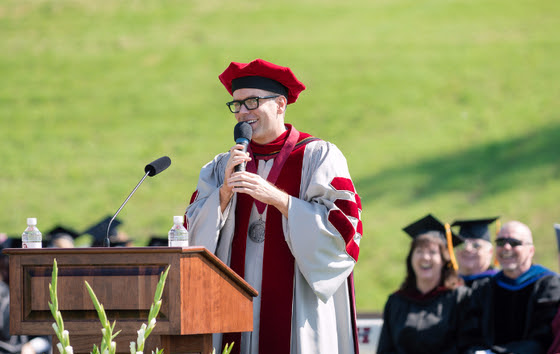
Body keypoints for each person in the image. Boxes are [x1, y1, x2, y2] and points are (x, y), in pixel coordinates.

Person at [185, 58, 362, 354]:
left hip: (297, 303)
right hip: (232, 300)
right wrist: (224, 193)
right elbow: (189, 236)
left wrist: (280, 199)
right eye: (236, 104)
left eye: (252, 101)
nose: (242, 112)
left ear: (280, 104)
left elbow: (343, 231)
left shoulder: (318, 156)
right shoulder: (222, 165)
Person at [377, 214, 476, 354]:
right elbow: (385, 350)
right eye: (419, 251)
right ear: (411, 258)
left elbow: (467, 346)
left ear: (444, 260)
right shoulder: (396, 302)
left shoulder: (460, 298)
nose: (425, 257)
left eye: (432, 252)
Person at [466, 220, 560, 354]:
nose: (506, 247)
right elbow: (470, 335)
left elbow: (543, 338)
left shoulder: (548, 285)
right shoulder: (485, 288)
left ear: (531, 250)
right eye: (500, 242)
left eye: (514, 242)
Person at [452, 217, 499, 287]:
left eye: (476, 245)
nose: (467, 248)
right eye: (462, 245)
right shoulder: (448, 285)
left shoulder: (498, 284)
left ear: (490, 251)